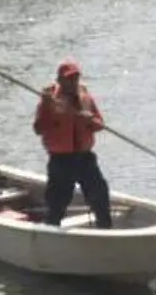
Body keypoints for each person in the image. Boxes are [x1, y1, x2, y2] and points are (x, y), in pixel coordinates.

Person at [32, 59, 112, 229]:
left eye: (75, 78)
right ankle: (51, 231)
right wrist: (46, 107)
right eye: (69, 78)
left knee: (100, 195)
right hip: (61, 160)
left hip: (84, 158)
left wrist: (90, 120)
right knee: (57, 202)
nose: (73, 82)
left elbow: (100, 124)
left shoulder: (85, 97)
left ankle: (105, 230)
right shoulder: (50, 100)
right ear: (60, 80)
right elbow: (38, 129)